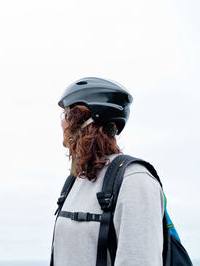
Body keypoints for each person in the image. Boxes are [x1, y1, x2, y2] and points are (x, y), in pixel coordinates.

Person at [51, 77, 165, 266]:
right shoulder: (75, 181)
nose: (62, 124)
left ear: (82, 120)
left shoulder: (134, 181)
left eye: (66, 115)